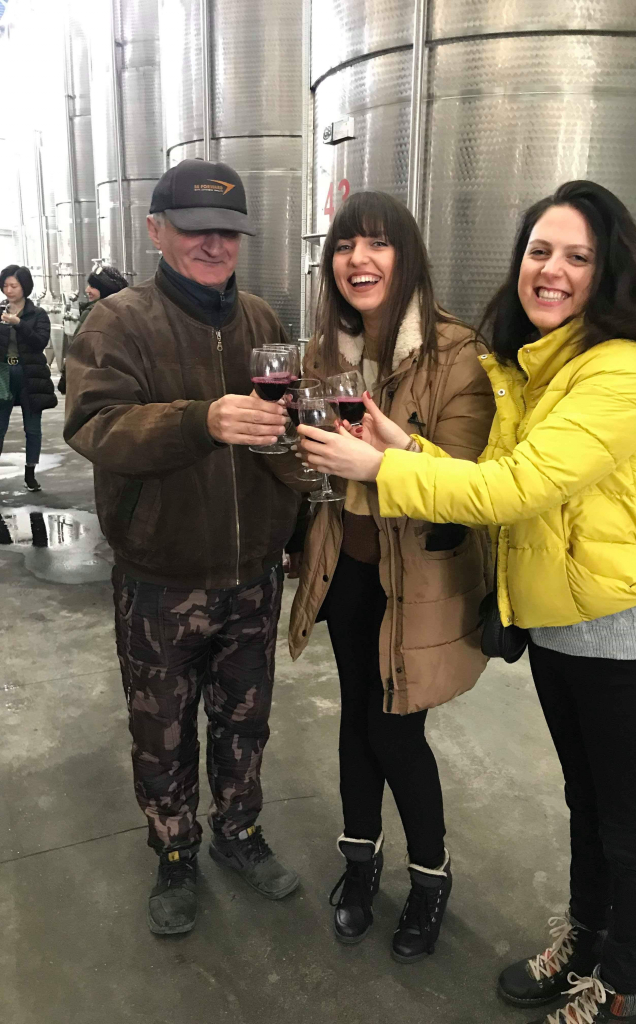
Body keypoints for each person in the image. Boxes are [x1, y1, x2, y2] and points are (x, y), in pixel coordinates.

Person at [298, 180, 636, 1022]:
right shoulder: (544, 367)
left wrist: (381, 468)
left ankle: (621, 988)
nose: (551, 269)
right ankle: (583, 944)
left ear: (610, 271)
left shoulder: (621, 371)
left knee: (630, 827)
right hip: (559, 625)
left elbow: (513, 490)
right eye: (539, 251)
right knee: (587, 808)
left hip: (625, 634)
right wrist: (403, 444)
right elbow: (493, 475)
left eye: (577, 256)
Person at [64, 158, 306, 937]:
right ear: (156, 231)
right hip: (161, 577)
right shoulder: (118, 323)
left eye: (228, 232)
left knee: (245, 719)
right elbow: (95, 425)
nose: (214, 244)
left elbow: (284, 437)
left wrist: (299, 521)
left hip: (253, 572)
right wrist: (200, 420)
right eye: (196, 229)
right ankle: (174, 849)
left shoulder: (262, 322)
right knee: (161, 730)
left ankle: (239, 830)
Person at [289, 190, 495, 961]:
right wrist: (296, 452)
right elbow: (310, 469)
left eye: (377, 243)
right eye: (345, 245)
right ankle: (360, 861)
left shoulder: (456, 354)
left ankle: (431, 878)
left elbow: (468, 485)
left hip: (417, 579)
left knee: (396, 730)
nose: (359, 259)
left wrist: (382, 457)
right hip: (346, 565)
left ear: (406, 258)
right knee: (356, 718)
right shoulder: (323, 352)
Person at [0, 264, 57, 491]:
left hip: (29, 374)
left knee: (32, 428)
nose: (8, 290)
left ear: (24, 287)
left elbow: (39, 342)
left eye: (13, 286)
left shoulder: (37, 314)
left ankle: (30, 473)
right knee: (0, 427)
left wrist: (19, 324)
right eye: (5, 285)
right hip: (4, 373)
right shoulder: (0, 310)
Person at [58, 265, 130, 395]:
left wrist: (65, 378)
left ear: (105, 289)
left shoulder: (93, 313)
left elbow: (78, 347)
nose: (87, 290)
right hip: (122, 381)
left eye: (93, 286)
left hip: (93, 380)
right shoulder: (128, 311)